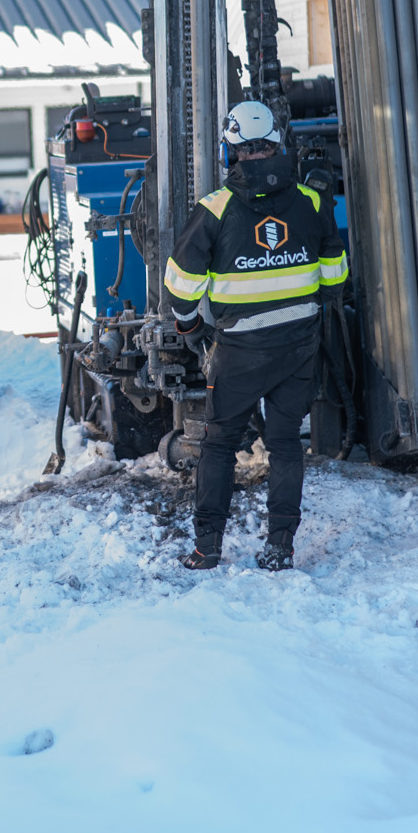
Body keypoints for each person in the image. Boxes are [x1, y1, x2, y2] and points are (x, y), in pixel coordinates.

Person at [164, 100, 348, 571]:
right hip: (298, 347)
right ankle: (280, 547)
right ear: (277, 144)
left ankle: (208, 548)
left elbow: (180, 290)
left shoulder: (215, 210)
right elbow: (334, 277)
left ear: (230, 152)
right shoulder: (311, 202)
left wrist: (189, 326)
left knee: (221, 443)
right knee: (286, 443)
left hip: (240, 352)